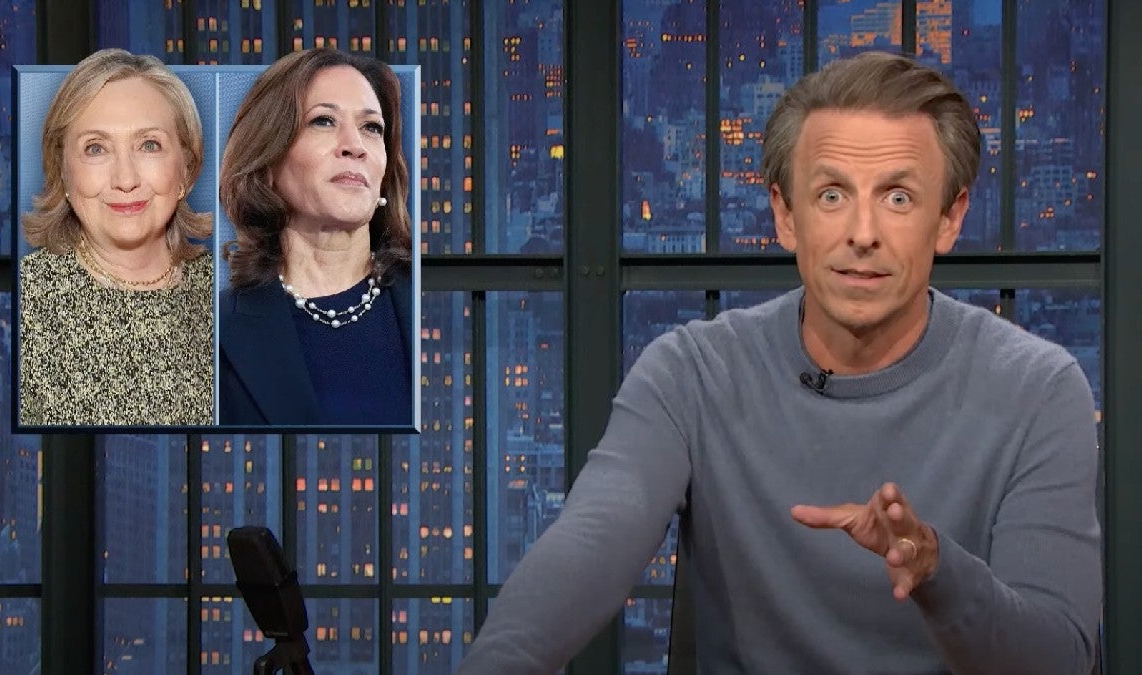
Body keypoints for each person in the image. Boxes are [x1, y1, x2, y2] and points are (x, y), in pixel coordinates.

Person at [458, 51, 1101, 674]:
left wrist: (938, 571)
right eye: (832, 195)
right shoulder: (693, 374)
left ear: (949, 218)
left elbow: (1058, 659)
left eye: (898, 198)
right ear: (785, 215)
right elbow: (587, 548)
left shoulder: (1038, 390)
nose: (863, 233)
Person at [218, 49, 414, 427]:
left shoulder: (430, 298)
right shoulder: (214, 334)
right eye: (323, 121)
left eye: (371, 128)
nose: (354, 145)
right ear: (268, 161)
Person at [18, 48, 213, 427]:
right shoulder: (27, 300)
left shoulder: (231, 293)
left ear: (186, 170)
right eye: (96, 148)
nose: (126, 179)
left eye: (149, 145)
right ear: (62, 172)